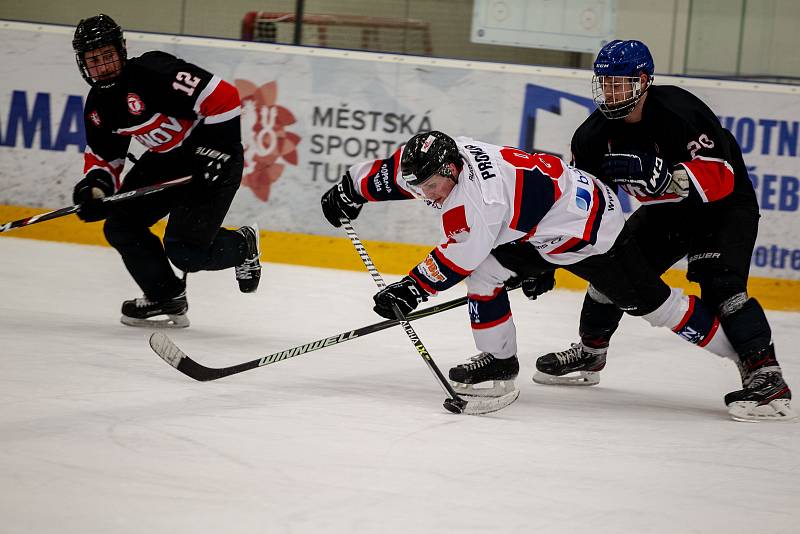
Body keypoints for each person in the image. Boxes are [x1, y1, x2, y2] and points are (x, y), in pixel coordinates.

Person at [320, 130, 752, 419]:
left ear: (450, 172)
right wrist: (349, 189)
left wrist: (410, 290)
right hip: (550, 216)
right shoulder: (448, 157)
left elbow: (456, 259)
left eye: (430, 188)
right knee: (488, 276)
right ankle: (500, 364)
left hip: (591, 232)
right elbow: (395, 174)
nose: (425, 197)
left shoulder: (478, 204)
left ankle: (746, 357)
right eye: (421, 189)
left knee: (656, 306)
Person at [534, 39, 794, 422]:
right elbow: (579, 200)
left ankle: (766, 376)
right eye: (604, 83)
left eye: (618, 83)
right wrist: (542, 261)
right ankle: (591, 352)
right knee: (611, 270)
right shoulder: (592, 136)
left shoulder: (680, 110)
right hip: (667, 213)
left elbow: (722, 176)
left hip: (722, 209)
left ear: (643, 81)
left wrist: (671, 179)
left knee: (722, 288)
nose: (609, 92)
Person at [71, 14, 261, 328]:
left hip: (216, 160)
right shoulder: (98, 107)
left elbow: (224, 97)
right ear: (83, 64)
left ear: (121, 50)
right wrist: (96, 189)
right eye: (94, 60)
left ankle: (243, 245)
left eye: (108, 56)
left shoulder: (154, 72)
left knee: (186, 253)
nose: (103, 66)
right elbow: (105, 159)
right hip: (168, 162)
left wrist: (216, 151)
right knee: (120, 225)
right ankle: (165, 296)